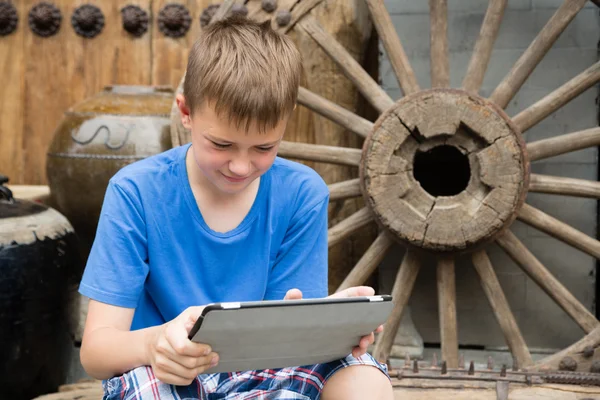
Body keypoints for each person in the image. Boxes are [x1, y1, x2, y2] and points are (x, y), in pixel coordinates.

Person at [78, 16, 393, 400]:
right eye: (222, 145)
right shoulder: (135, 192)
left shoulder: (301, 193)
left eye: (264, 148)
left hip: (265, 372)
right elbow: (95, 352)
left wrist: (327, 325)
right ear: (186, 112)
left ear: (286, 119)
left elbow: (287, 349)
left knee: (365, 380)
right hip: (167, 373)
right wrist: (154, 344)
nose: (241, 166)